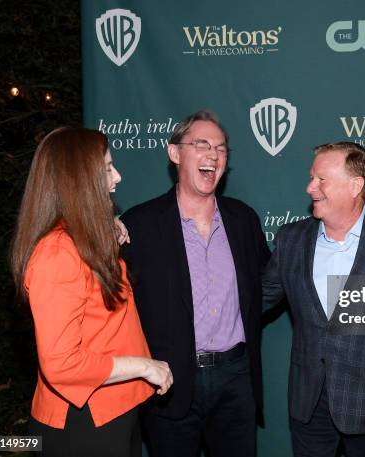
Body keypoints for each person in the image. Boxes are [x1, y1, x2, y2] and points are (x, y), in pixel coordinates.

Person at [10, 127, 173, 457]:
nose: (118, 177)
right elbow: (62, 364)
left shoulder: (84, 237)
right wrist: (144, 366)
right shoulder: (56, 254)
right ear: (77, 181)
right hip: (82, 423)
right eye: (107, 168)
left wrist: (107, 223)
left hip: (113, 409)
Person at [120, 110, 270, 457]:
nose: (213, 155)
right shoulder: (138, 225)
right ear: (174, 153)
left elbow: (265, 286)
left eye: (221, 148)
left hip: (236, 379)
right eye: (201, 145)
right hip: (169, 382)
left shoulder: (243, 219)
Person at [262, 142, 365, 457]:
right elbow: (255, 300)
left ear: (355, 186)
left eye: (321, 180)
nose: (310, 188)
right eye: (311, 178)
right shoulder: (291, 239)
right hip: (309, 402)